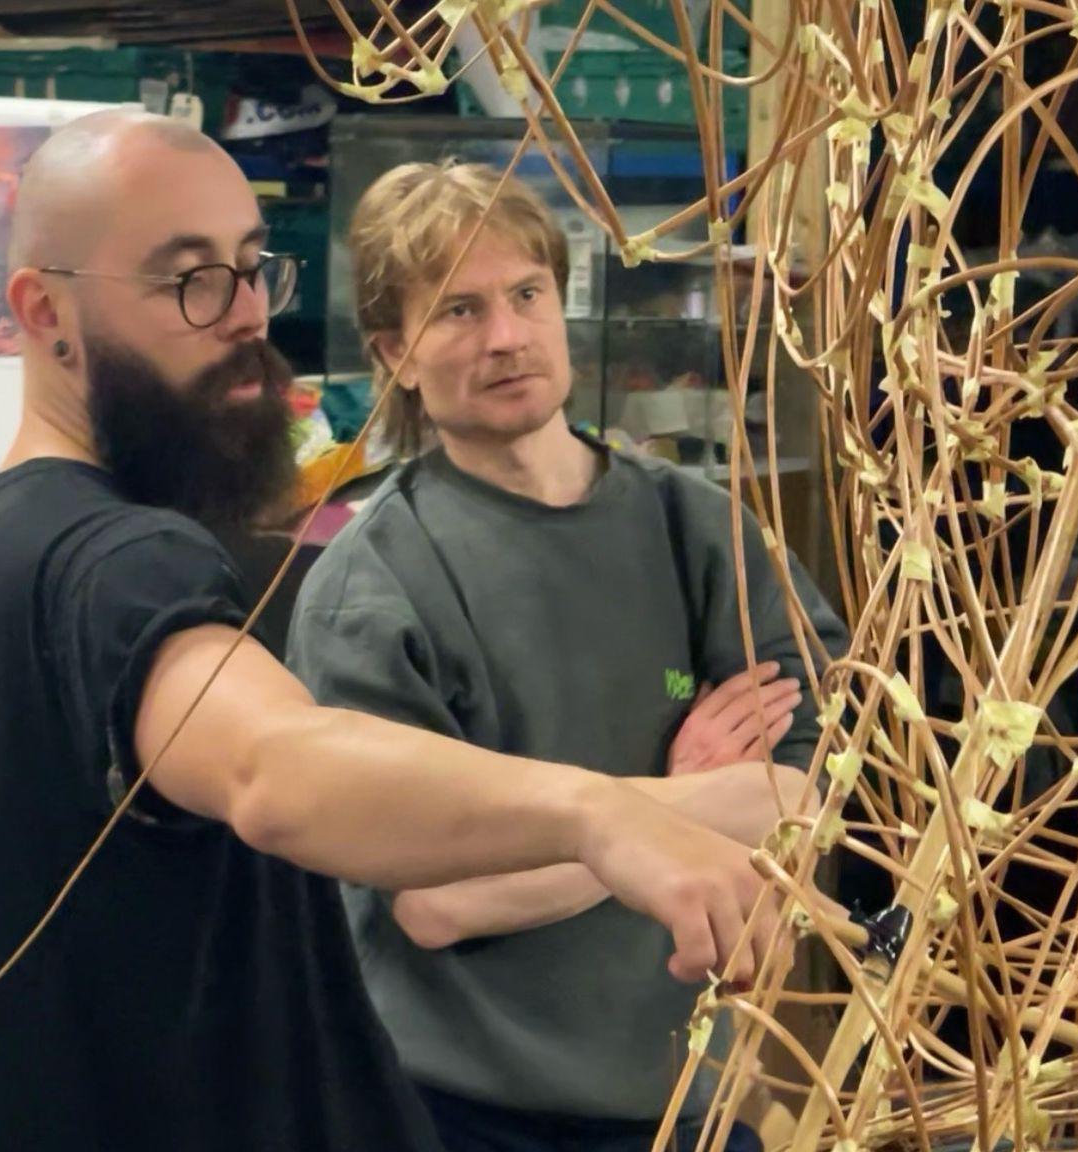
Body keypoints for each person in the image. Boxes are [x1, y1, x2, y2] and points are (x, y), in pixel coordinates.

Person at [0, 113, 782, 1151]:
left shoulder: (0, 540)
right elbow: (280, 766)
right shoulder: (119, 564)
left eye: (249, 270)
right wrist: (603, 815)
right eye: (186, 279)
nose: (241, 318)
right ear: (44, 311)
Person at [286, 161, 849, 1152]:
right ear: (395, 354)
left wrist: (574, 842)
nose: (503, 337)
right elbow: (432, 903)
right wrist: (667, 802)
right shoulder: (374, 589)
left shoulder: (697, 531)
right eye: (457, 311)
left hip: (694, 1104)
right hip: (463, 1118)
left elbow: (810, 798)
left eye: (524, 295)